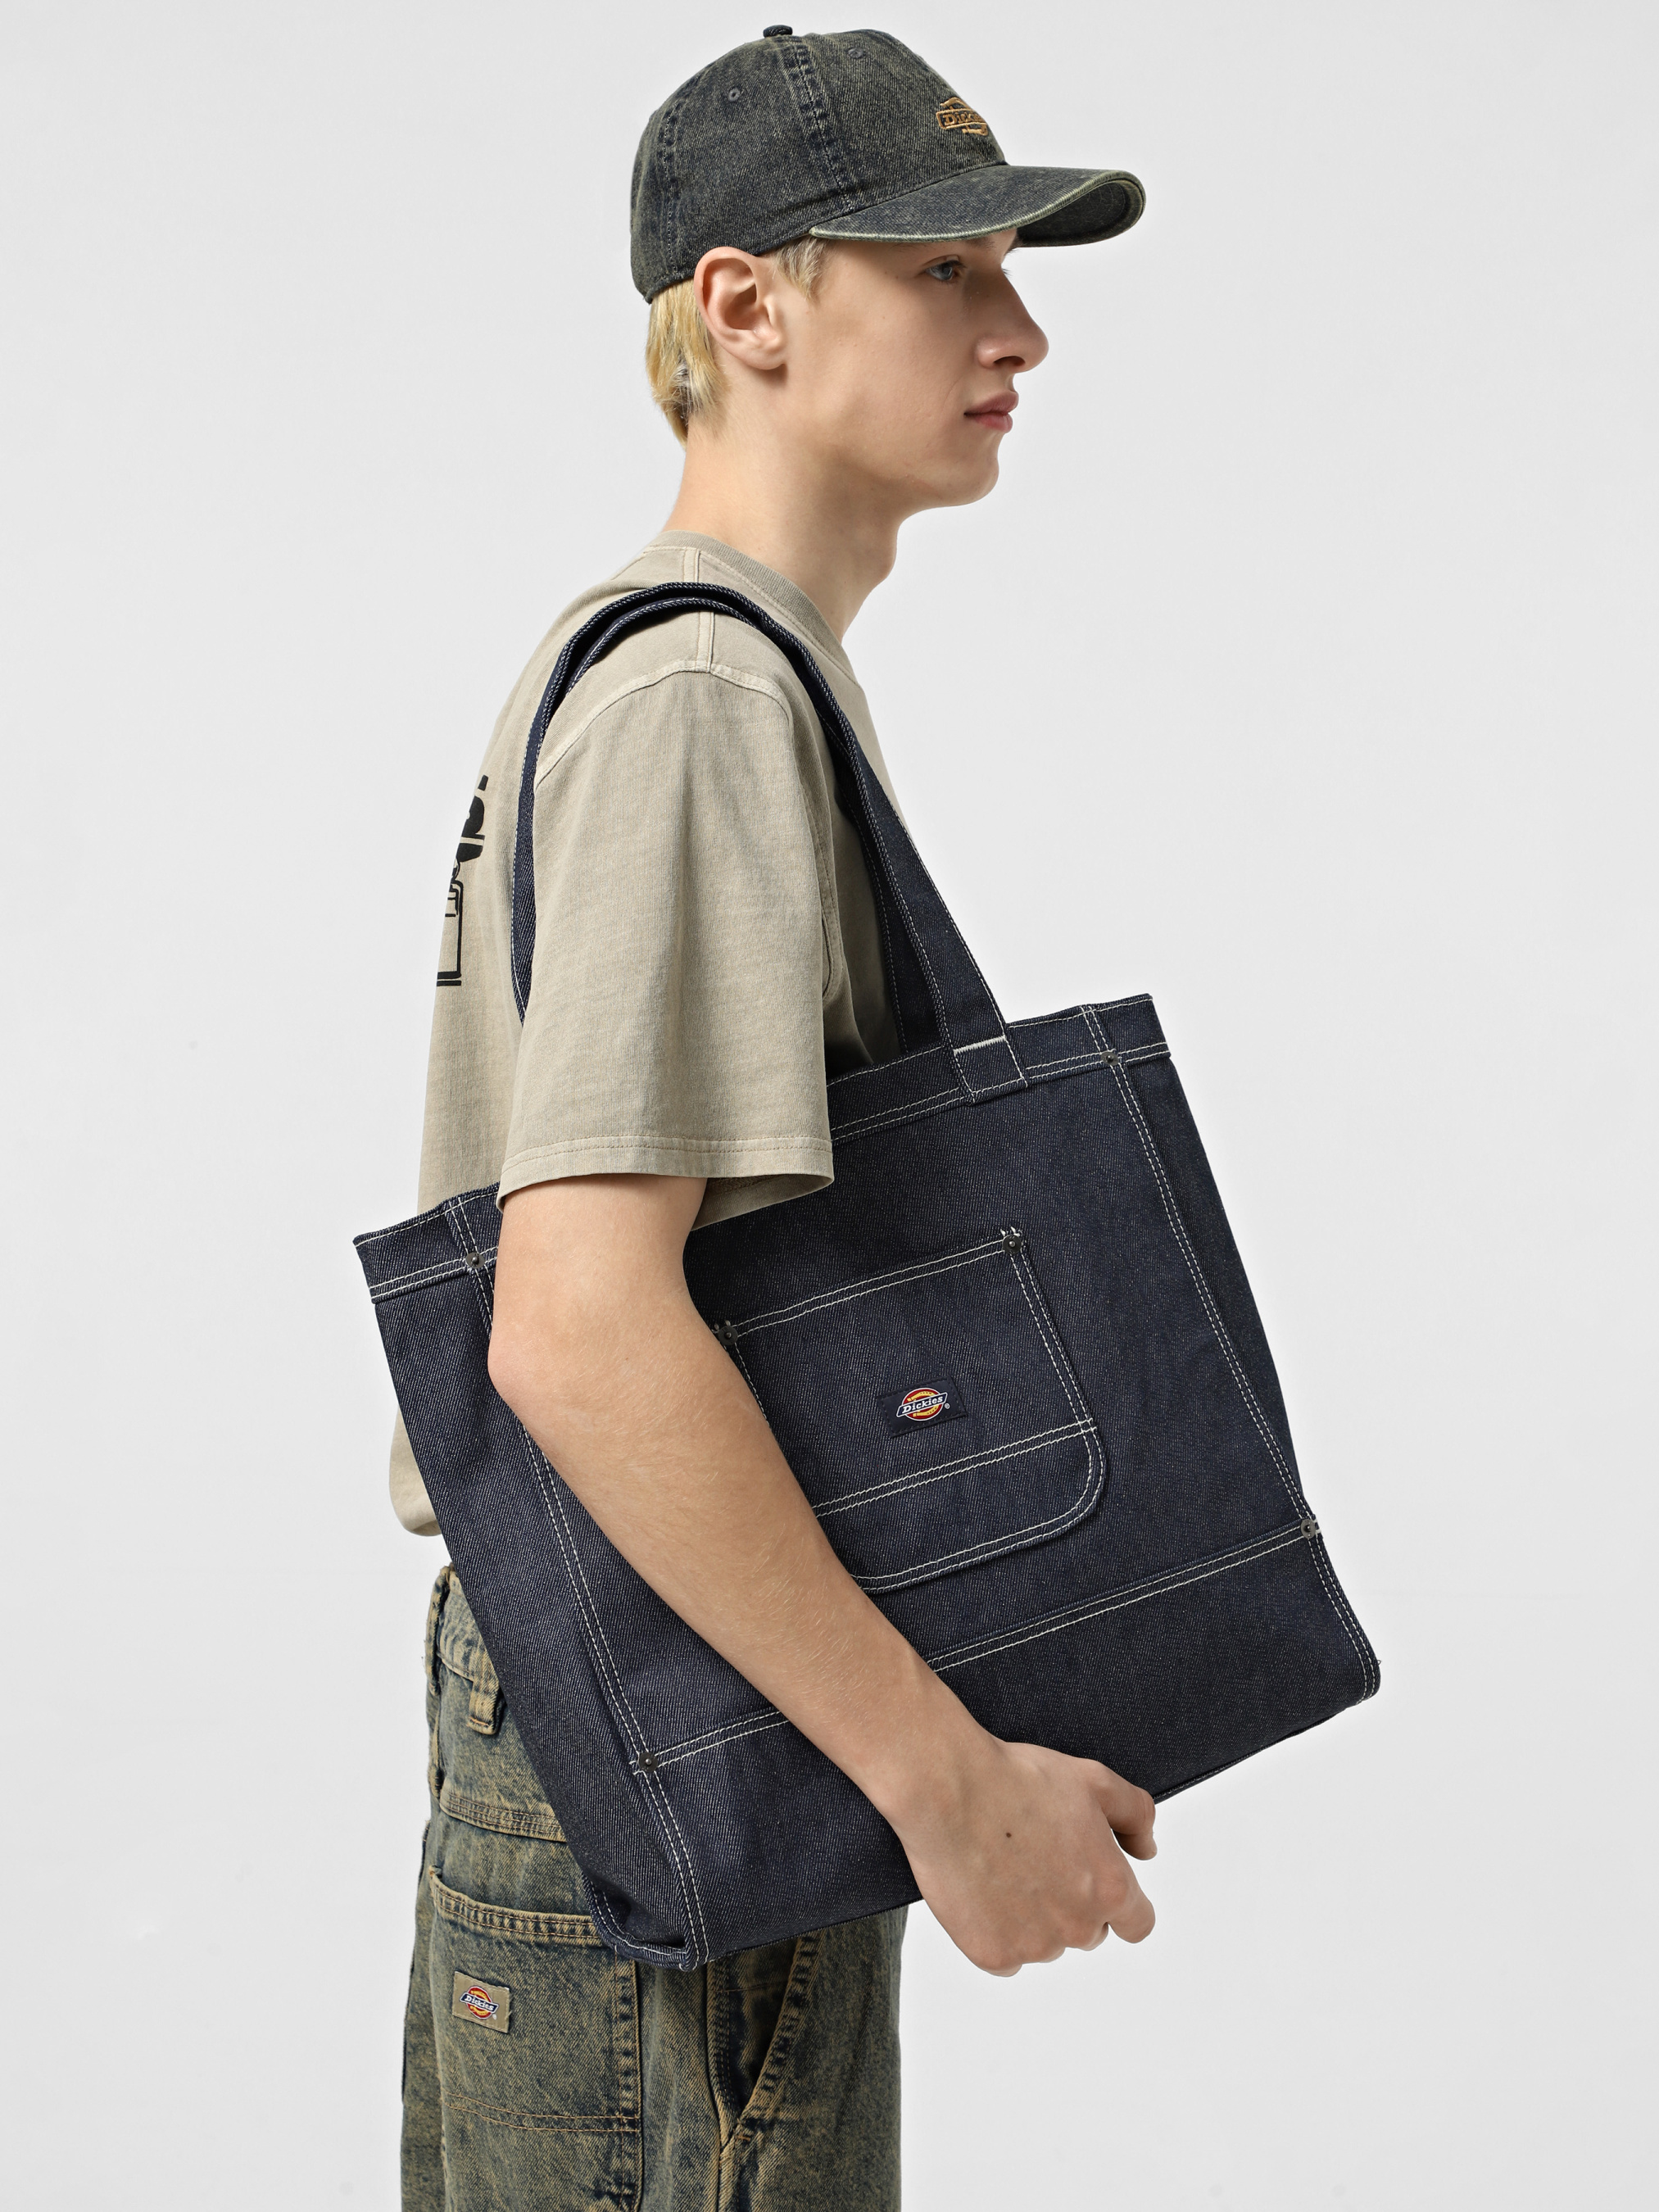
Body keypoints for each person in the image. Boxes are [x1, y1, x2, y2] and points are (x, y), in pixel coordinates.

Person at [394, 28, 1157, 2209]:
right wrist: (947, 1785)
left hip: (644, 1674)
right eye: (945, 273)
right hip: (683, 1696)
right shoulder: (707, 686)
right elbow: (577, 1324)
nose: (1019, 333)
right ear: (743, 308)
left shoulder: (698, 666)